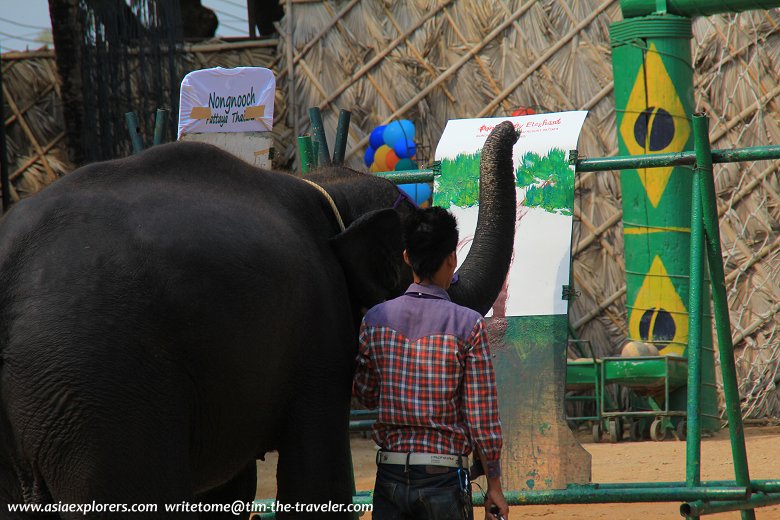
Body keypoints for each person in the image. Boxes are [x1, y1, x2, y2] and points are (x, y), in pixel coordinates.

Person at [353, 207, 508, 520]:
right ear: (452, 258)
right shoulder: (470, 325)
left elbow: (366, 395)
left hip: (390, 477)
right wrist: (494, 484)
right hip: (444, 477)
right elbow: (483, 419)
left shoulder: (374, 321)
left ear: (407, 257)